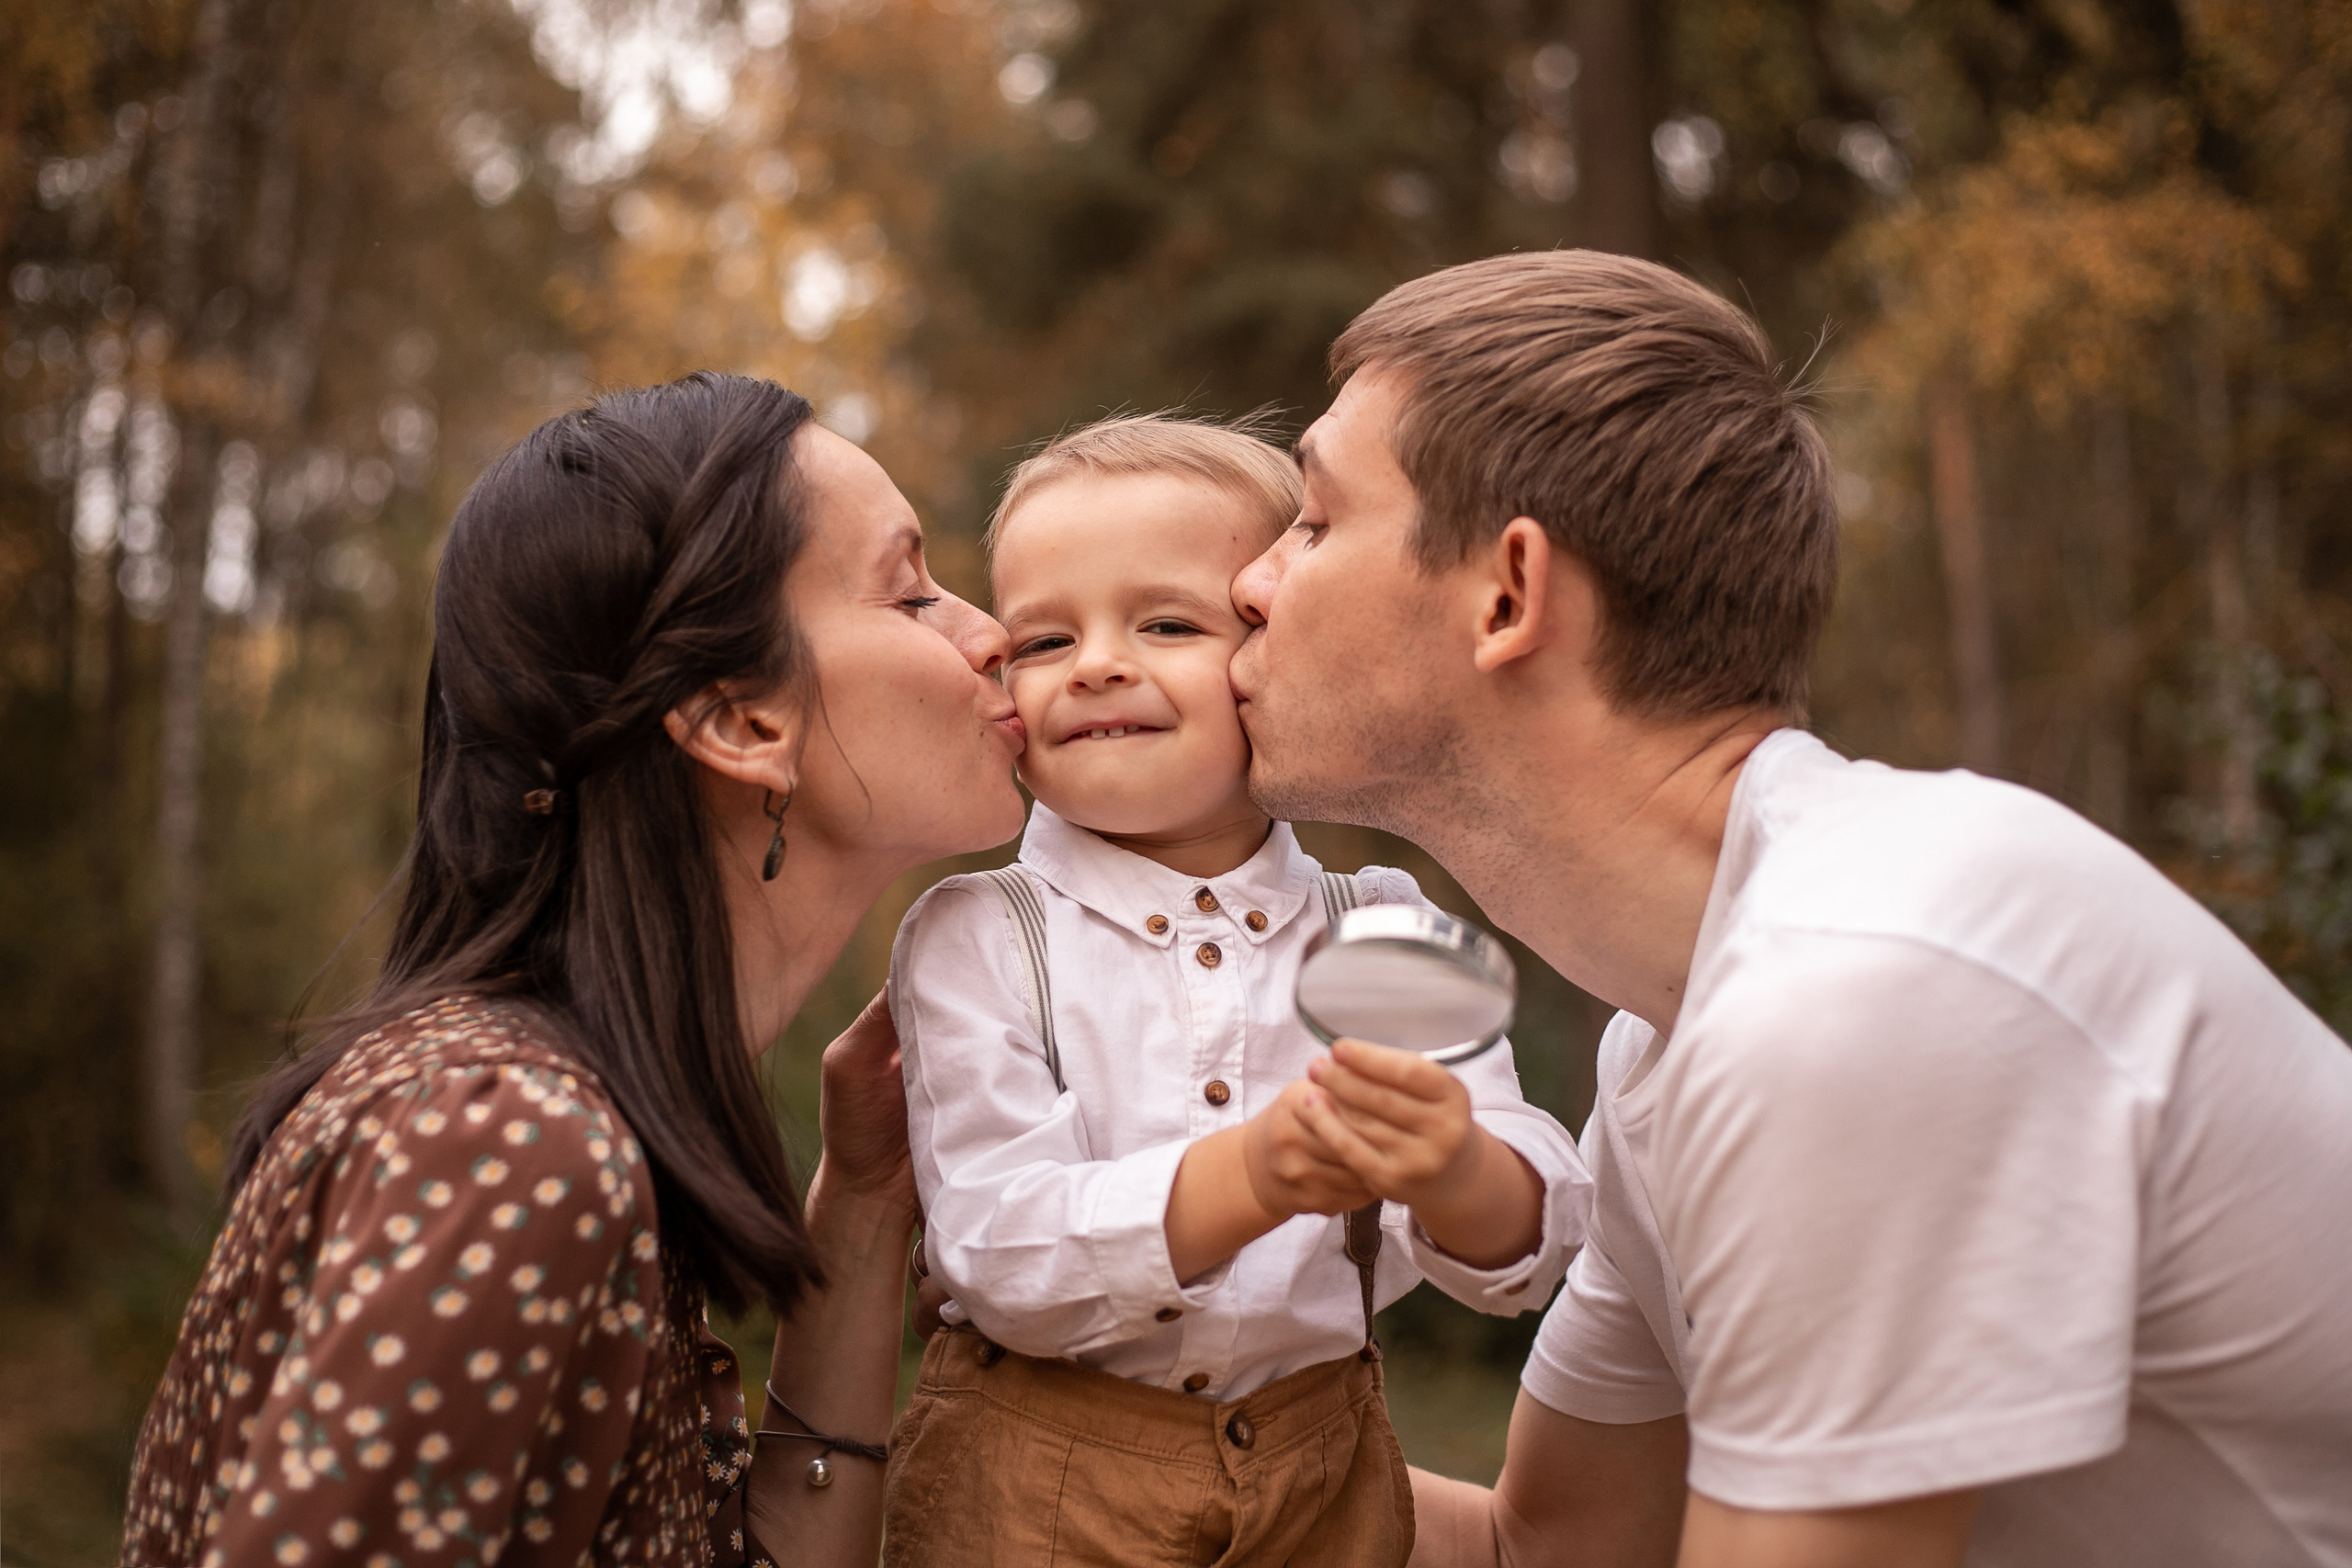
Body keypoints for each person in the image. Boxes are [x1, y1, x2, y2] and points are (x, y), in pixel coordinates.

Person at [1230, 251, 2352, 1568]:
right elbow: (1550, 1544)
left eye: (1311, 518)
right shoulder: (1676, 1038)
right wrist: (1126, 1474)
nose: (1249, 581)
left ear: (1508, 593)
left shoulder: (1857, 988)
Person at [120, 373, 1030, 1568]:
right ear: (741, 721)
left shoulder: (571, 1120)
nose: (991, 632)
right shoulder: (508, 1142)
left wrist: (861, 1208)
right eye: (911, 590)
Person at [881, 414, 1589, 1566]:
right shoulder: (981, 935)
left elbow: (1535, 1237)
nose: (1099, 663)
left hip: (1323, 1474)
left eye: (1166, 623)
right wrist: (1253, 1175)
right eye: (1043, 639)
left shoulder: (1385, 926)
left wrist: (1456, 1167)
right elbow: (998, 1247)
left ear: (1273, 653)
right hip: (1037, 1481)